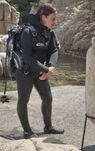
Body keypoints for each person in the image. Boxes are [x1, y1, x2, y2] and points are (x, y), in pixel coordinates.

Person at [16, 3, 64, 139]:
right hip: (25, 72)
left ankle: (48, 127)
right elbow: (27, 57)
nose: (55, 22)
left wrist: (50, 67)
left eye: (56, 19)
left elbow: (54, 50)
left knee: (47, 98)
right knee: (23, 100)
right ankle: (27, 131)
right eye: (53, 19)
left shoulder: (49, 32)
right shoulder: (27, 32)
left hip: (41, 72)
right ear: (43, 17)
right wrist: (46, 69)